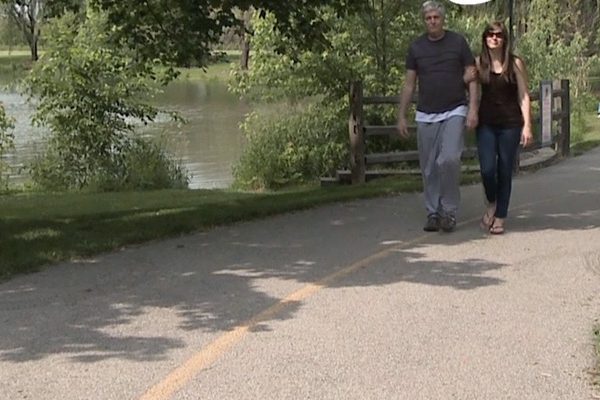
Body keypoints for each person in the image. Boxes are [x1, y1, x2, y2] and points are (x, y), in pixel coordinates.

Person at [397, 1, 478, 233]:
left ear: (443, 19)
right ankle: (433, 212)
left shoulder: (458, 43)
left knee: (449, 159)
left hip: (454, 109)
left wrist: (473, 108)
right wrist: (402, 115)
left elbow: (472, 77)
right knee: (429, 167)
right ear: (424, 21)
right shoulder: (416, 48)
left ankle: (449, 211)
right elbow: (409, 84)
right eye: (428, 18)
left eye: (436, 17)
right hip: (426, 114)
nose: (432, 21)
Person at [475, 21, 533, 235]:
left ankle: (500, 215)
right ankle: (492, 201)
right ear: (485, 38)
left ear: (504, 39)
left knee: (505, 169)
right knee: (487, 169)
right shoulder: (479, 63)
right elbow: (472, 90)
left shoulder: (515, 63)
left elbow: (524, 95)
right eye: (490, 34)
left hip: (510, 124)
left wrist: (527, 125)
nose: (494, 38)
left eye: (498, 35)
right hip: (486, 124)